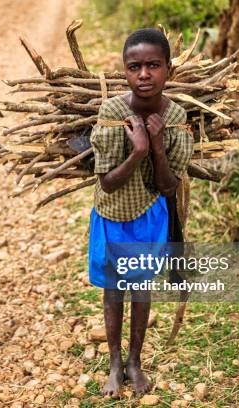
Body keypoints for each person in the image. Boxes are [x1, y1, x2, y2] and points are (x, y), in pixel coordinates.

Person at [88, 28, 193, 397]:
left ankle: (135, 361)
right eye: (135, 67)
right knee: (115, 290)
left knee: (142, 287)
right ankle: (115, 364)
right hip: (112, 214)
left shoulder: (177, 118)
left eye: (153, 65)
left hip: (150, 216)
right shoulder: (113, 112)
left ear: (168, 69)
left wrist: (158, 148)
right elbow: (107, 183)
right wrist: (137, 152)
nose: (144, 75)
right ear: (125, 71)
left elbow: (167, 187)